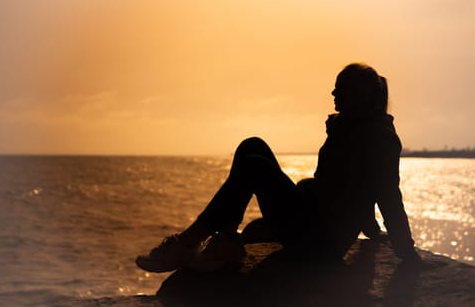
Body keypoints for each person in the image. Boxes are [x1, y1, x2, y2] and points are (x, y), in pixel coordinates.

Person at [136, 63, 419, 273]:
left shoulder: (378, 137)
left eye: (341, 87)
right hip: (314, 222)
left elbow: (387, 194)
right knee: (252, 145)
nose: (333, 92)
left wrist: (406, 251)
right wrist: (370, 229)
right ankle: (226, 240)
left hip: (322, 240)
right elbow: (355, 189)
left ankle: (186, 244)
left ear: (361, 94)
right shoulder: (347, 128)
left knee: (255, 166)